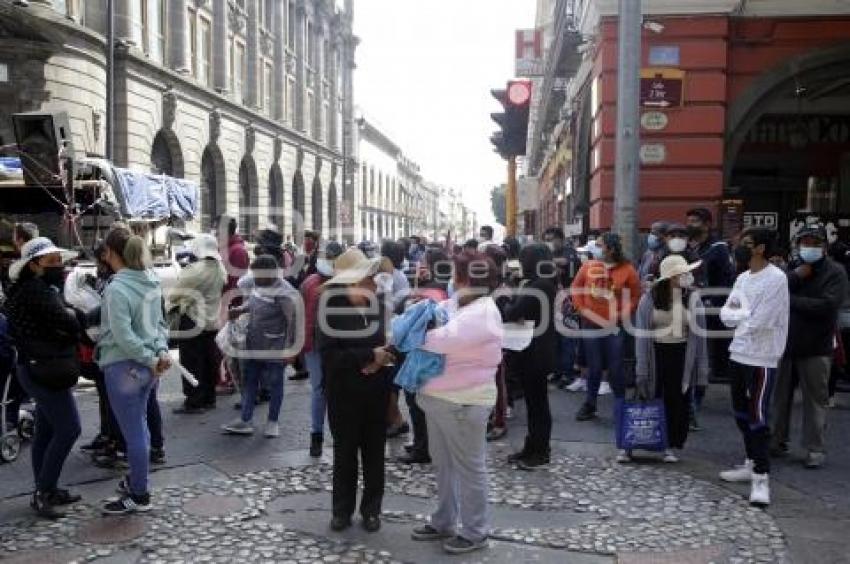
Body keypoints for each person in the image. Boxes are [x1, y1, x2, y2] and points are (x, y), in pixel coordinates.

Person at [411, 252, 503, 555]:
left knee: (469, 468)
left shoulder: (482, 313)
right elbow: (435, 312)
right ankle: (444, 521)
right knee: (443, 465)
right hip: (440, 401)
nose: (452, 280)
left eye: (456, 275)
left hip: (464, 403)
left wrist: (414, 328)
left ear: (467, 280)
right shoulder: (460, 304)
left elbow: (436, 339)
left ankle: (476, 531)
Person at [4, 237, 82, 519]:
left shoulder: (24, 290)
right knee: (69, 428)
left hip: (35, 367)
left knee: (46, 431)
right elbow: (69, 322)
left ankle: (46, 488)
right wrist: (72, 317)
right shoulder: (36, 291)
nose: (59, 266)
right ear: (34, 265)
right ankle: (43, 491)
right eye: (51, 262)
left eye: (59, 260)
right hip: (45, 369)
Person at [317, 247, 394, 533]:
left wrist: (384, 357)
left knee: (375, 454)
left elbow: (389, 343)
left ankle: (372, 510)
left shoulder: (378, 304)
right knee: (345, 453)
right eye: (369, 279)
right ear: (352, 283)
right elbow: (329, 357)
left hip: (376, 392)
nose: (375, 284)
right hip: (344, 394)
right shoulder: (330, 308)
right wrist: (367, 356)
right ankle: (342, 511)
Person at [96, 227, 170, 515]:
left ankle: (139, 494)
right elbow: (160, 326)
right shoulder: (152, 282)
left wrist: (152, 358)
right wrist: (159, 354)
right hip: (147, 366)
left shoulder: (117, 287)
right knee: (139, 428)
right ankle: (137, 483)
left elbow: (123, 335)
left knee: (135, 433)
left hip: (124, 366)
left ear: (111, 253)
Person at [719, 227, 789, 507]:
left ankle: (762, 477)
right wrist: (743, 317)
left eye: (747, 244)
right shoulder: (742, 278)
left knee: (758, 415)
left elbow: (763, 321)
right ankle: (750, 462)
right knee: (739, 412)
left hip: (762, 357)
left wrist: (742, 317)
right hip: (738, 353)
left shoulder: (776, 279)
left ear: (760, 248)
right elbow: (726, 314)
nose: (741, 248)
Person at [771, 227, 848, 469]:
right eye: (805, 241)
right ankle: (777, 440)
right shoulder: (791, 270)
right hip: (786, 344)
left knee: (815, 400)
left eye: (814, 242)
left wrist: (791, 301)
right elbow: (774, 293)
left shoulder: (835, 272)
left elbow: (827, 305)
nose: (809, 246)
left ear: (824, 247)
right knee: (780, 398)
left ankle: (815, 448)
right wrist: (794, 277)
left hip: (817, 346)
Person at [634, 255, 709, 463]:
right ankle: (644, 442)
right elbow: (641, 333)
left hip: (682, 353)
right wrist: (641, 367)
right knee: (652, 396)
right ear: (671, 277)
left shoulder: (693, 298)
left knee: (678, 400)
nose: (687, 276)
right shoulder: (649, 298)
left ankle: (669, 444)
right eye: (682, 273)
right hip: (655, 352)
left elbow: (700, 336)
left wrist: (702, 369)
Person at [223, 255, 299, 437]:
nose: (255, 278)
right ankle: (245, 419)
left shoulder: (285, 292)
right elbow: (254, 301)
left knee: (275, 384)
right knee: (249, 382)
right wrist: (241, 309)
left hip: (275, 347)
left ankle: (273, 422)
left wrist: (291, 349)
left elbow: (293, 321)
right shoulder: (259, 284)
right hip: (253, 344)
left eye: (259, 275)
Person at [571, 233, 641, 421]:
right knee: (594, 367)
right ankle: (590, 404)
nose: (597, 248)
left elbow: (635, 296)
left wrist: (622, 314)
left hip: (614, 326)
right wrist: (582, 309)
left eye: (600, 245)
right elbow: (576, 289)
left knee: (615, 367)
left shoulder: (627, 270)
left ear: (611, 249)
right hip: (590, 324)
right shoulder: (588, 266)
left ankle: (620, 404)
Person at [503, 243, 557, 469]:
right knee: (534, 403)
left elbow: (513, 312)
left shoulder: (540, 285)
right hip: (534, 349)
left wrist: (507, 298)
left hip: (536, 351)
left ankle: (540, 451)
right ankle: (532, 446)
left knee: (537, 405)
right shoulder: (541, 283)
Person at [398, 247, 451, 464]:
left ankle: (423, 448)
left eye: (424, 261)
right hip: (432, 351)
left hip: (421, 351)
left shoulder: (432, 291)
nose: (419, 265)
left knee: (416, 401)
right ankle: (424, 442)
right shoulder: (443, 286)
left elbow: (409, 316)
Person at [168, 234, 226, 413]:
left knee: (192, 362)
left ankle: (194, 401)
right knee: (209, 362)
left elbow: (174, 295)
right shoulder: (220, 268)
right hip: (212, 321)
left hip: (193, 321)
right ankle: (209, 398)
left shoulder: (195, 270)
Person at [300, 241, 344, 457]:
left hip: (333, 346)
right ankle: (317, 436)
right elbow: (302, 317)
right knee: (321, 391)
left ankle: (332, 436)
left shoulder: (345, 284)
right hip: (317, 346)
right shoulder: (310, 284)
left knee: (330, 391)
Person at [381, 240, 412, 439]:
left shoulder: (395, 278)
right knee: (390, 382)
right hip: (391, 333)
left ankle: (397, 421)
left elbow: (395, 307)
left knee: (390, 382)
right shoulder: (394, 276)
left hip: (393, 335)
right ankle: (393, 419)